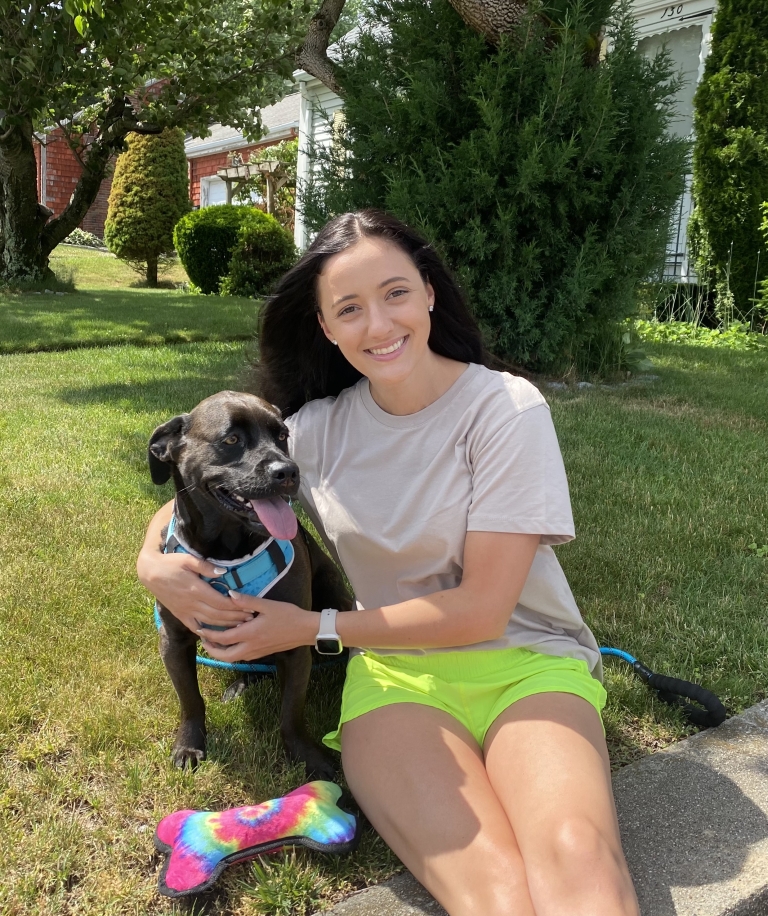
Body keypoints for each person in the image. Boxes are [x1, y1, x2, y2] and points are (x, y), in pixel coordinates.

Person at [137, 209, 639, 916]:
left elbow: (481, 609)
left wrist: (310, 627)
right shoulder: (313, 429)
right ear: (326, 326)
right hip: (397, 677)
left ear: (429, 293)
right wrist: (151, 564)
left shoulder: (504, 409)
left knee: (575, 859)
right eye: (349, 308)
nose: (378, 325)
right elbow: (208, 472)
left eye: (396, 293)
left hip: (526, 663)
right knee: (493, 891)